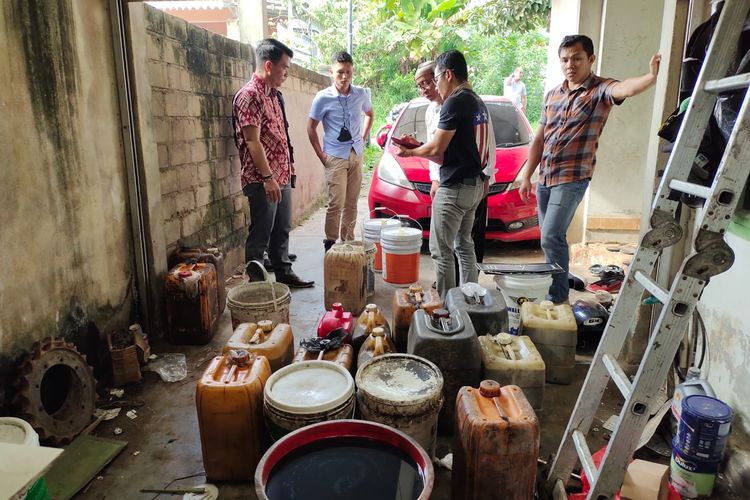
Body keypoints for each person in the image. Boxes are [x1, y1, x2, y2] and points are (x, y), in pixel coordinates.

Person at [519, 34, 661, 303]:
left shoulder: (599, 90)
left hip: (572, 178)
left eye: (576, 58)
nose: (570, 64)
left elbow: (624, 89)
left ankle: (557, 298)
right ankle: (555, 288)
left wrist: (649, 78)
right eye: (564, 59)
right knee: (549, 239)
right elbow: (539, 138)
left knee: (551, 235)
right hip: (546, 177)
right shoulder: (553, 95)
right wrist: (528, 176)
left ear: (590, 59)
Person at [396, 50, 493, 297]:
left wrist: (411, 151)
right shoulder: (477, 101)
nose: (436, 86)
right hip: (473, 185)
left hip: (455, 188)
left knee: (441, 250)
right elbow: (455, 148)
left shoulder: (455, 101)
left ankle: (449, 308)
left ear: (448, 74)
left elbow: (437, 147)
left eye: (436, 78)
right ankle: (470, 299)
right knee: (464, 245)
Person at [232, 38, 314, 288]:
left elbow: (280, 135)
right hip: (261, 180)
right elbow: (252, 141)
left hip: (281, 176)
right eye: (284, 67)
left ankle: (284, 274)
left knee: (281, 230)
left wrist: (287, 170)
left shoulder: (274, 96)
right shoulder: (249, 96)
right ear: (269, 65)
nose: (287, 73)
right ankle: (257, 286)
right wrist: (268, 179)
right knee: (260, 237)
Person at [307, 51, 375, 251]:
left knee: (352, 202)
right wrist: (321, 155)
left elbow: (370, 114)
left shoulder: (360, 94)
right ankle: (330, 243)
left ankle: (347, 242)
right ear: (331, 72)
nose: (344, 77)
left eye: (348, 72)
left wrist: (363, 137)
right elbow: (310, 127)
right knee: (336, 203)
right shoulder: (323, 98)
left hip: (356, 154)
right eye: (340, 72)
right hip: (335, 156)